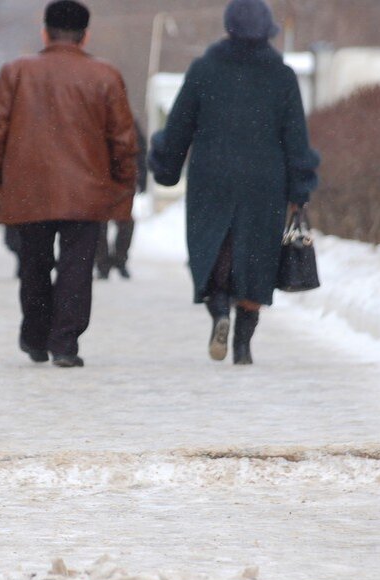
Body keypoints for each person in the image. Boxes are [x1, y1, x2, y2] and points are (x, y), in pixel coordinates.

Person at [149, 0, 319, 365]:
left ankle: (220, 312)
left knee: (214, 252)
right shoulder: (282, 76)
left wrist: (166, 165)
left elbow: (179, 127)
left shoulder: (204, 70)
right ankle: (242, 344)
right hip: (264, 182)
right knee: (256, 261)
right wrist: (299, 189)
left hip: (212, 177)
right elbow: (295, 139)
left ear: (228, 29)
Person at [0, 0, 138, 368]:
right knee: (77, 265)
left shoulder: (15, 71)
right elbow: (123, 139)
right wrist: (123, 181)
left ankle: (34, 336)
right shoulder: (105, 75)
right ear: (85, 35)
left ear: (44, 31)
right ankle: (65, 342)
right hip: (87, 189)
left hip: (28, 187)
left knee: (34, 262)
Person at [95, 118, 147, 280]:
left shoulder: (127, 120)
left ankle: (119, 260)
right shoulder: (96, 119)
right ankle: (103, 264)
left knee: (125, 222)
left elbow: (139, 149)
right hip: (100, 179)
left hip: (121, 179)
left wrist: (141, 177)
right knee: (100, 225)